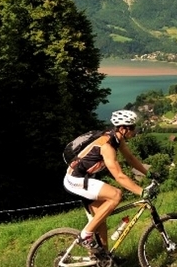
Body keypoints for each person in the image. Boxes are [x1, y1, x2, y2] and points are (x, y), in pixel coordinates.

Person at [63, 109, 157, 255]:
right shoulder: (107, 146)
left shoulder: (117, 140)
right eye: (131, 127)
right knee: (116, 194)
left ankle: (104, 258)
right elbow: (119, 176)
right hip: (75, 180)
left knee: (100, 220)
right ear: (122, 129)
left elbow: (131, 159)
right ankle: (85, 237)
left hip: (85, 179)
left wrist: (149, 173)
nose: (134, 130)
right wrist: (142, 192)